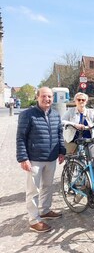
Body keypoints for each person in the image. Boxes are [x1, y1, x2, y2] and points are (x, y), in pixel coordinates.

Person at [16, 87, 66, 233]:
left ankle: (44, 210)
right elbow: (20, 137)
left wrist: (62, 151)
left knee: (48, 186)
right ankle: (34, 220)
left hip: (51, 158)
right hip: (34, 159)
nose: (47, 99)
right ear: (37, 97)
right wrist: (23, 158)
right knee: (33, 190)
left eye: (50, 96)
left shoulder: (56, 115)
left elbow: (59, 134)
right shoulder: (27, 115)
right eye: (44, 96)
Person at [61, 92, 94, 177]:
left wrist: (91, 125)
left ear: (86, 101)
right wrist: (74, 125)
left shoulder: (90, 112)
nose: (81, 101)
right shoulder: (70, 112)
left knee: (91, 160)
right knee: (70, 160)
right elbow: (62, 121)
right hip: (73, 139)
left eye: (83, 100)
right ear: (75, 101)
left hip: (88, 139)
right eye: (79, 100)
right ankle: (68, 180)